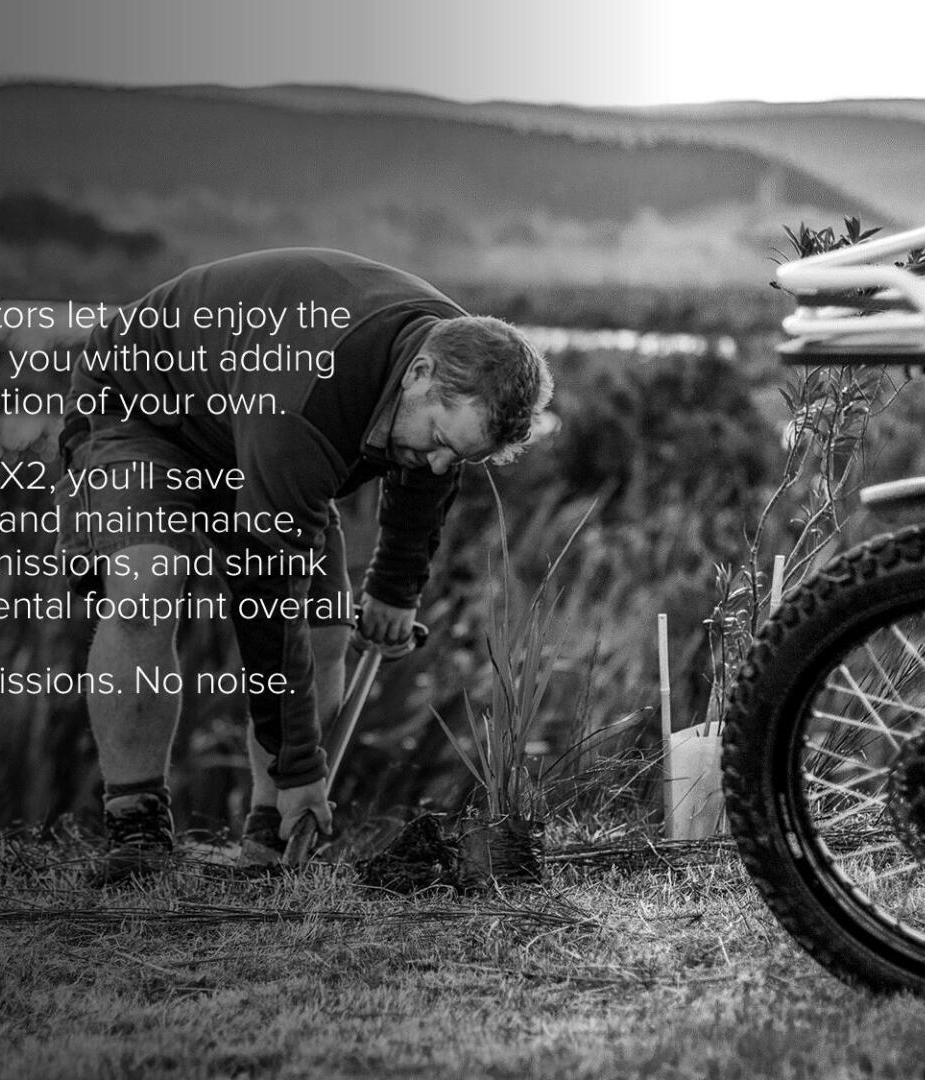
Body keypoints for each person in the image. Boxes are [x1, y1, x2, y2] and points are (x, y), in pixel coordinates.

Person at [55, 248, 552, 883]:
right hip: (141, 408)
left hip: (250, 422)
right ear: (420, 372)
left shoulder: (455, 359)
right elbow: (265, 595)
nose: (435, 464)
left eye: (458, 456)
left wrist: (394, 591)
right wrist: (301, 768)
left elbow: (428, 474)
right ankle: (136, 827)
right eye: (438, 441)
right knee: (147, 582)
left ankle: (271, 837)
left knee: (324, 626)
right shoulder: (311, 399)